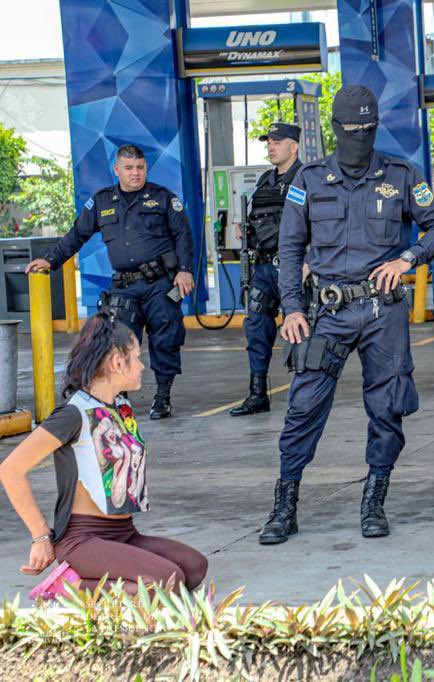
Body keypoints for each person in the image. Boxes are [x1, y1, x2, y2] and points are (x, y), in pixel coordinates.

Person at [258, 85, 434, 545]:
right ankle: (285, 504)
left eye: (368, 129)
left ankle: (374, 500)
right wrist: (290, 308)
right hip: (325, 313)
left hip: (382, 311)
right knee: (303, 407)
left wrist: (409, 258)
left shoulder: (402, 175)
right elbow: (289, 247)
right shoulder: (308, 180)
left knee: (387, 408)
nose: (360, 137)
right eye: (351, 130)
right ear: (335, 129)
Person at [0, 315, 208, 598]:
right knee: (166, 581)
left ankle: (96, 582)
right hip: (83, 538)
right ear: (116, 362)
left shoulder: (119, 406)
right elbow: (11, 469)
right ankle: (70, 586)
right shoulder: (74, 413)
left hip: (123, 532)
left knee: (194, 568)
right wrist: (40, 537)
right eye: (136, 357)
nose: (142, 365)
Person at [25, 144, 194, 420]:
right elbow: (76, 235)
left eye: (140, 167)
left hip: (160, 285)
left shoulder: (162, 199)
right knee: (120, 344)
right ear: (117, 170)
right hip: (124, 287)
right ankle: (121, 398)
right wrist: (50, 261)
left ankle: (163, 397)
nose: (135, 173)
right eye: (129, 168)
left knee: (165, 340)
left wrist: (185, 271)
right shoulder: (102, 201)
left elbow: (183, 236)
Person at [230, 122, 303, 417]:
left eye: (277, 142)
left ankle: (303, 393)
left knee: (299, 330)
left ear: (293, 146)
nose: (271, 147)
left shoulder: (307, 178)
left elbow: (320, 224)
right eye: (268, 142)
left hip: (294, 266)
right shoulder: (264, 181)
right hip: (262, 267)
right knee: (257, 329)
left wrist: (310, 262)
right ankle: (257, 393)